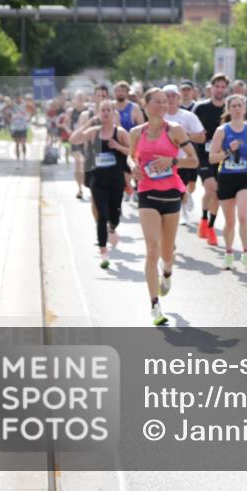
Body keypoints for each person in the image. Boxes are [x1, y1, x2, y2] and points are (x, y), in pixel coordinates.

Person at [128, 88, 199, 325]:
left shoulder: (175, 130)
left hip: (170, 194)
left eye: (164, 101)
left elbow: (194, 159)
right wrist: (132, 166)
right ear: (145, 105)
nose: (162, 105)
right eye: (156, 102)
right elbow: (131, 156)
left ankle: (167, 271)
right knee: (152, 248)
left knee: (167, 252)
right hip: (147, 193)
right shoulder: (136, 133)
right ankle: (155, 305)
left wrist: (173, 160)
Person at [69, 100, 130, 269]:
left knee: (114, 215)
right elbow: (74, 140)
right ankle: (103, 252)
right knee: (101, 216)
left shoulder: (121, 133)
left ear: (113, 113)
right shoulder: (94, 132)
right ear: (98, 113)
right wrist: (88, 122)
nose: (105, 113)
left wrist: (118, 146)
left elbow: (134, 152)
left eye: (108, 110)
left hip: (116, 180)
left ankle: (113, 229)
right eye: (102, 110)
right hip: (98, 180)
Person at [209, 95, 247, 270]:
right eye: (234, 106)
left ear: (245, 109)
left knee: (243, 215)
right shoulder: (222, 131)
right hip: (226, 177)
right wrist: (227, 151)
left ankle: (246, 254)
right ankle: (229, 253)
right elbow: (211, 158)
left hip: (245, 176)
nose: (237, 109)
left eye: (240, 106)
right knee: (230, 221)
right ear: (229, 109)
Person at [192, 74, 230, 246]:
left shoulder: (230, 109)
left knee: (217, 194)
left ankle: (211, 227)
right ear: (211, 87)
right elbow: (191, 129)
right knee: (211, 189)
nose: (220, 89)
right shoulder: (200, 108)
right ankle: (204, 218)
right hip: (204, 156)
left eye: (223, 86)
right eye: (217, 86)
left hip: (224, 155)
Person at [162, 85, 206, 225]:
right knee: (171, 190)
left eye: (173, 96)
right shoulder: (158, 116)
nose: (170, 99)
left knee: (185, 188)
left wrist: (183, 135)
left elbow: (201, 137)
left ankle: (184, 201)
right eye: (167, 96)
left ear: (178, 98)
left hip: (184, 159)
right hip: (164, 160)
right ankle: (181, 212)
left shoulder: (187, 116)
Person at [63, 92, 91, 198]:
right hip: (76, 141)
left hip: (87, 140)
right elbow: (65, 123)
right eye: (78, 98)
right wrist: (70, 131)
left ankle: (88, 184)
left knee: (86, 164)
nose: (80, 100)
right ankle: (79, 189)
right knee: (78, 163)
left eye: (82, 98)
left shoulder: (89, 111)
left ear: (85, 99)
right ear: (74, 99)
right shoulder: (71, 111)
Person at [6, 95, 31, 164]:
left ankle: (25, 157)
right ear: (15, 99)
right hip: (15, 127)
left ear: (21, 98)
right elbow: (5, 111)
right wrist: (9, 119)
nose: (18, 100)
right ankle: (18, 159)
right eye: (17, 98)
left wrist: (29, 118)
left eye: (19, 98)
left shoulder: (25, 105)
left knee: (23, 143)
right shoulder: (12, 105)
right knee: (17, 144)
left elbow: (33, 110)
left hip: (23, 126)